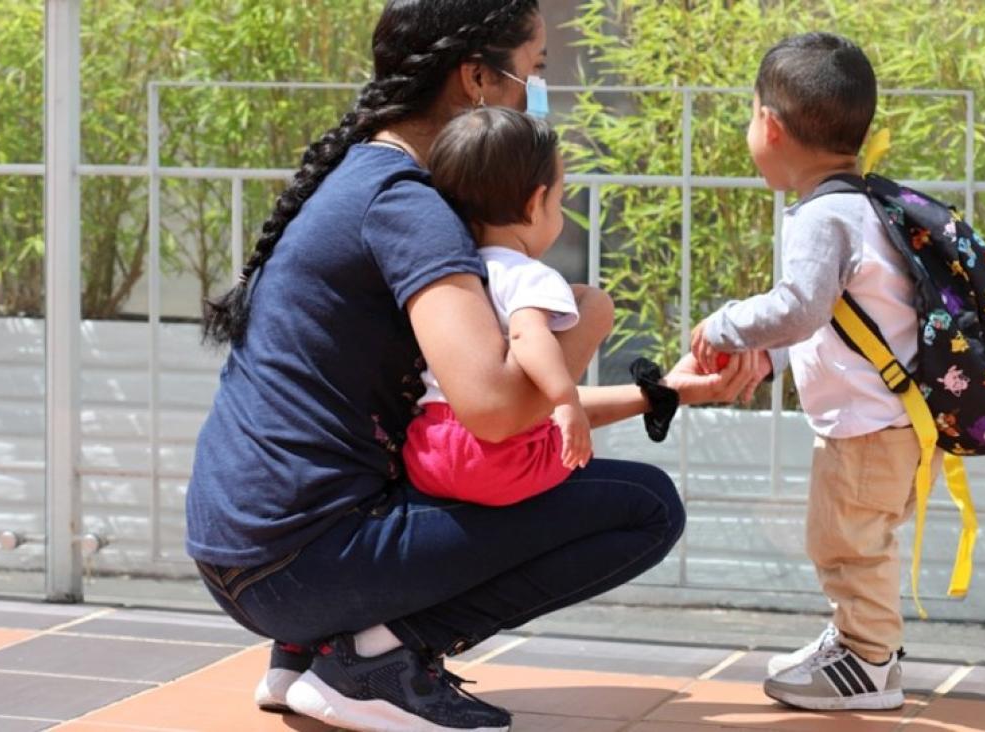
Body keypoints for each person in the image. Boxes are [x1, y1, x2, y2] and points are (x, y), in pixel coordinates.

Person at [185, 2, 761, 731]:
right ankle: (377, 660)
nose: (538, 95)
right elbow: (494, 408)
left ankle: (309, 652)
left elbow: (478, 410)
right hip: (300, 561)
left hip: (253, 554)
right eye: (535, 72)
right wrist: (590, 318)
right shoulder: (408, 208)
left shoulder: (365, 175)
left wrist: (661, 395)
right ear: (479, 81)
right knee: (644, 507)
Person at [691, 32, 931, 712]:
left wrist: (725, 325)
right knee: (860, 541)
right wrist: (769, 358)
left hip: (866, 427)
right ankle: (861, 641)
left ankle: (868, 664)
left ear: (769, 124)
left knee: (845, 544)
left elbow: (800, 308)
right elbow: (844, 318)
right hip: (892, 420)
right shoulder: (863, 205)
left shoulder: (823, 216)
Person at [404, 107, 605, 506]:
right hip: (495, 462)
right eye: (560, 200)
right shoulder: (530, 276)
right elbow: (527, 334)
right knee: (576, 459)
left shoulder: (454, 272)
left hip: (429, 449)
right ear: (536, 204)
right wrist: (566, 399)